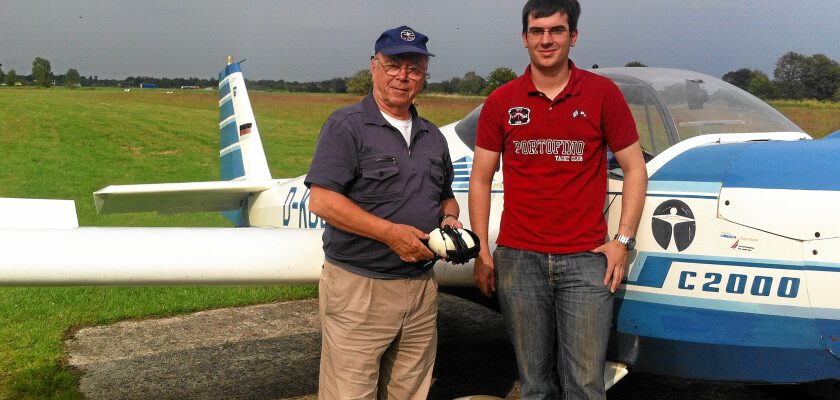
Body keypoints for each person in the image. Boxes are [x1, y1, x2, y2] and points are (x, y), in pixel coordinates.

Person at [468, 1, 648, 399]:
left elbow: (636, 169)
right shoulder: (502, 100)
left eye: (556, 30)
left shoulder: (603, 94)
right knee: (535, 384)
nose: (546, 39)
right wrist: (482, 248)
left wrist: (622, 242)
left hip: (586, 261)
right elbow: (480, 179)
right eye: (537, 31)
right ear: (524, 38)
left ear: (573, 36)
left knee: (585, 384)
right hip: (518, 259)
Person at [305, 25, 462, 400]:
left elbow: (445, 197)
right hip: (360, 288)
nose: (402, 76)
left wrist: (450, 220)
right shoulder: (346, 125)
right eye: (393, 65)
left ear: (424, 76)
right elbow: (322, 201)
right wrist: (390, 235)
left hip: (421, 289)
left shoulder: (432, 137)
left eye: (414, 68)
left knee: (410, 393)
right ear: (375, 67)